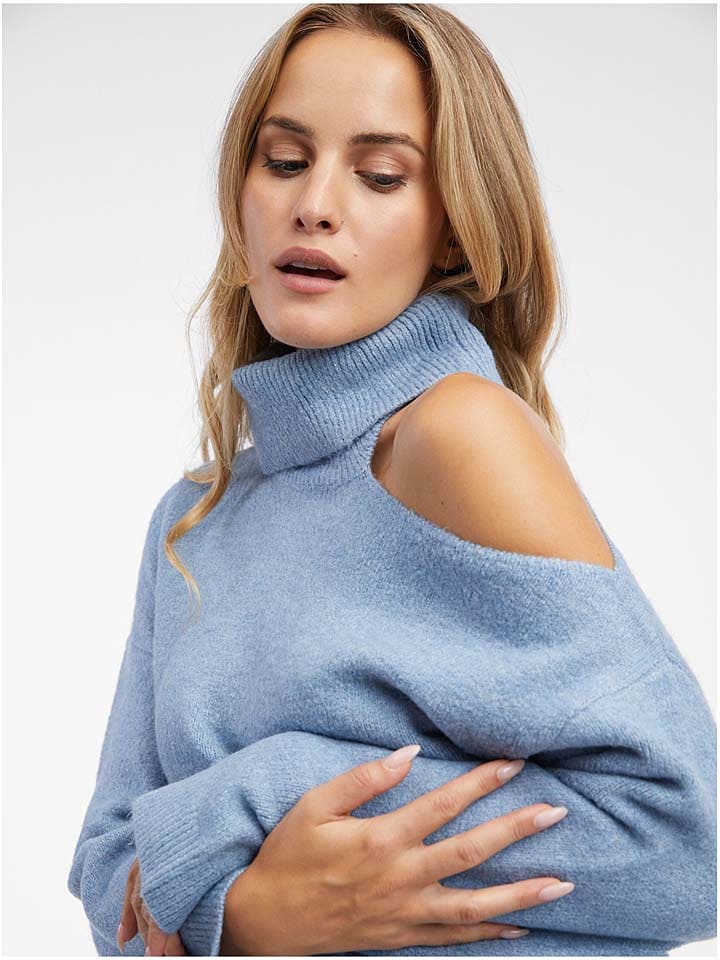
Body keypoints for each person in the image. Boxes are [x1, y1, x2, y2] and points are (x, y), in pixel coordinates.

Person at [68, 4, 716, 957]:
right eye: (284, 160)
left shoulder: (458, 434)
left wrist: (273, 784)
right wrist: (251, 919)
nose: (314, 203)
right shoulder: (192, 520)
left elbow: (689, 848)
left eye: (379, 175)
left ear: (452, 232)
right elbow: (110, 876)